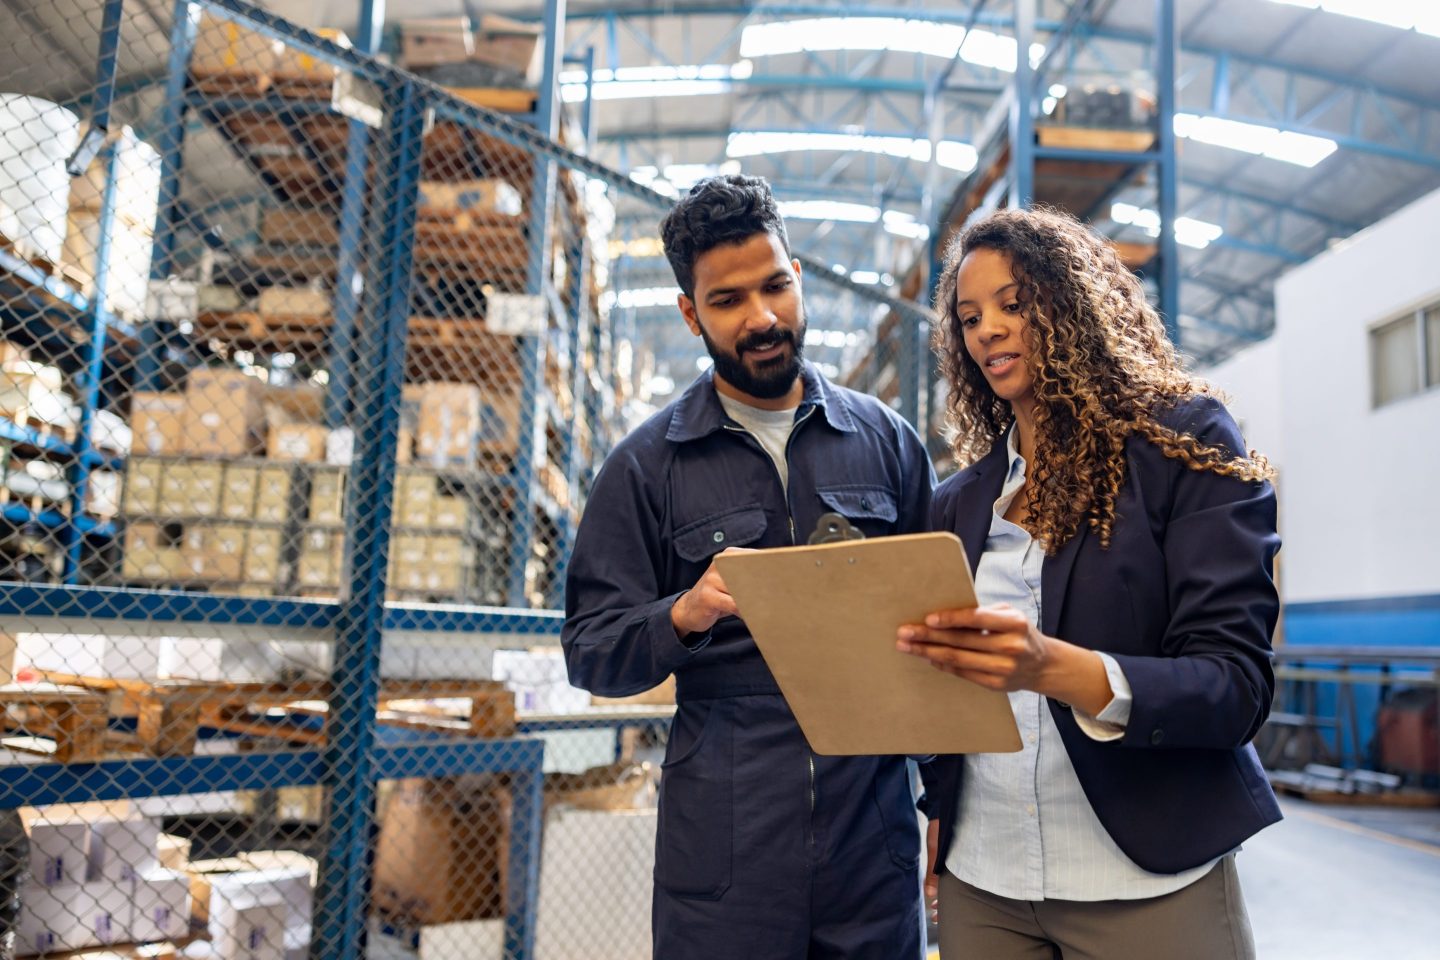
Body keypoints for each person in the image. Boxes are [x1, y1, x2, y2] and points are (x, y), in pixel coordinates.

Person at [562, 174, 935, 959]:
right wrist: (682, 615)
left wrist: (949, 810)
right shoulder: (646, 468)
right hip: (726, 851)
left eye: (775, 286)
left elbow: (945, 637)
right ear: (691, 314)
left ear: (798, 278)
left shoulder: (888, 443)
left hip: (872, 843)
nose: (762, 317)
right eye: (729, 301)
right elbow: (591, 647)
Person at [898, 207, 1281, 959]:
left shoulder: (1184, 446)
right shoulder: (958, 504)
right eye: (971, 318)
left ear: (1071, 302)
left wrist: (1054, 670)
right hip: (987, 884)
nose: (989, 331)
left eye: (1015, 303)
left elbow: (1235, 684)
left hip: (1147, 882)